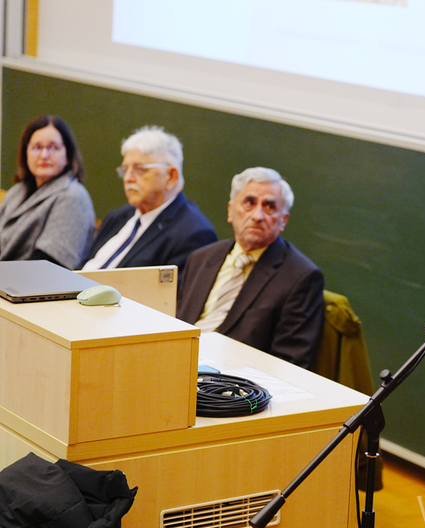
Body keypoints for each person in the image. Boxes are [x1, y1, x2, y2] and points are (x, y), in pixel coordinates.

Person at [177, 167, 324, 369]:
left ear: (283, 220)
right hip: (177, 361)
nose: (257, 216)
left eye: (270, 207)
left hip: (230, 380)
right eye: (249, 203)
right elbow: (178, 324)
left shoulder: (300, 277)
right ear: (230, 211)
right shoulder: (201, 258)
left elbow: (289, 363)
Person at [81, 126, 216, 274]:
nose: (127, 178)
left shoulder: (193, 233)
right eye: (125, 170)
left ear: (171, 177)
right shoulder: (117, 217)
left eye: (139, 169)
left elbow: (171, 289)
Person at [0, 115, 95, 269]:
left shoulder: (73, 197)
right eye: (37, 147)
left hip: (32, 280)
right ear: (26, 153)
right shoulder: (16, 192)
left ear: (67, 155)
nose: (44, 155)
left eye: (54, 147)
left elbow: (49, 265)